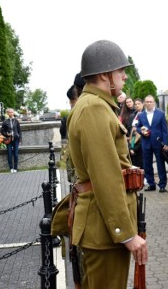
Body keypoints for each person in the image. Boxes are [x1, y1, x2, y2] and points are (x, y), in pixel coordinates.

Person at [64, 39, 147, 288]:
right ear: (104, 75)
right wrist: (126, 233)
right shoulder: (93, 109)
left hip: (103, 228)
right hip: (105, 231)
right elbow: (106, 177)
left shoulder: (96, 105)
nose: (123, 75)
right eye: (119, 70)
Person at [136, 95, 168, 192]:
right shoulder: (141, 115)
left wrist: (165, 143)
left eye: (151, 102)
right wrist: (141, 131)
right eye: (147, 102)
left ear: (154, 102)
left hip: (158, 142)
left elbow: (164, 130)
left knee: (160, 164)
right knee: (147, 164)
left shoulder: (160, 113)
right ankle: (151, 184)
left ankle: (162, 185)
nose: (149, 103)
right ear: (144, 103)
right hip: (146, 143)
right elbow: (138, 127)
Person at [1, 108, 22, 173]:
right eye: (9, 112)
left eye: (12, 112)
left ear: (13, 113)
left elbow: (19, 130)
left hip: (16, 139)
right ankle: (11, 168)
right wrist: (6, 134)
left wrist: (20, 139)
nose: (11, 113)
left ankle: (15, 168)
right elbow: (2, 131)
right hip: (8, 140)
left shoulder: (16, 121)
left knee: (15, 154)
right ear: (7, 113)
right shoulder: (5, 122)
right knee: (9, 154)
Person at [129, 98, 144, 169]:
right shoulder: (134, 115)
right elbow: (132, 132)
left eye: (139, 104)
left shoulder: (145, 114)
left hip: (142, 142)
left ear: (143, 104)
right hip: (134, 140)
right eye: (135, 104)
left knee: (142, 164)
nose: (137, 105)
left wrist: (135, 148)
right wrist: (131, 147)